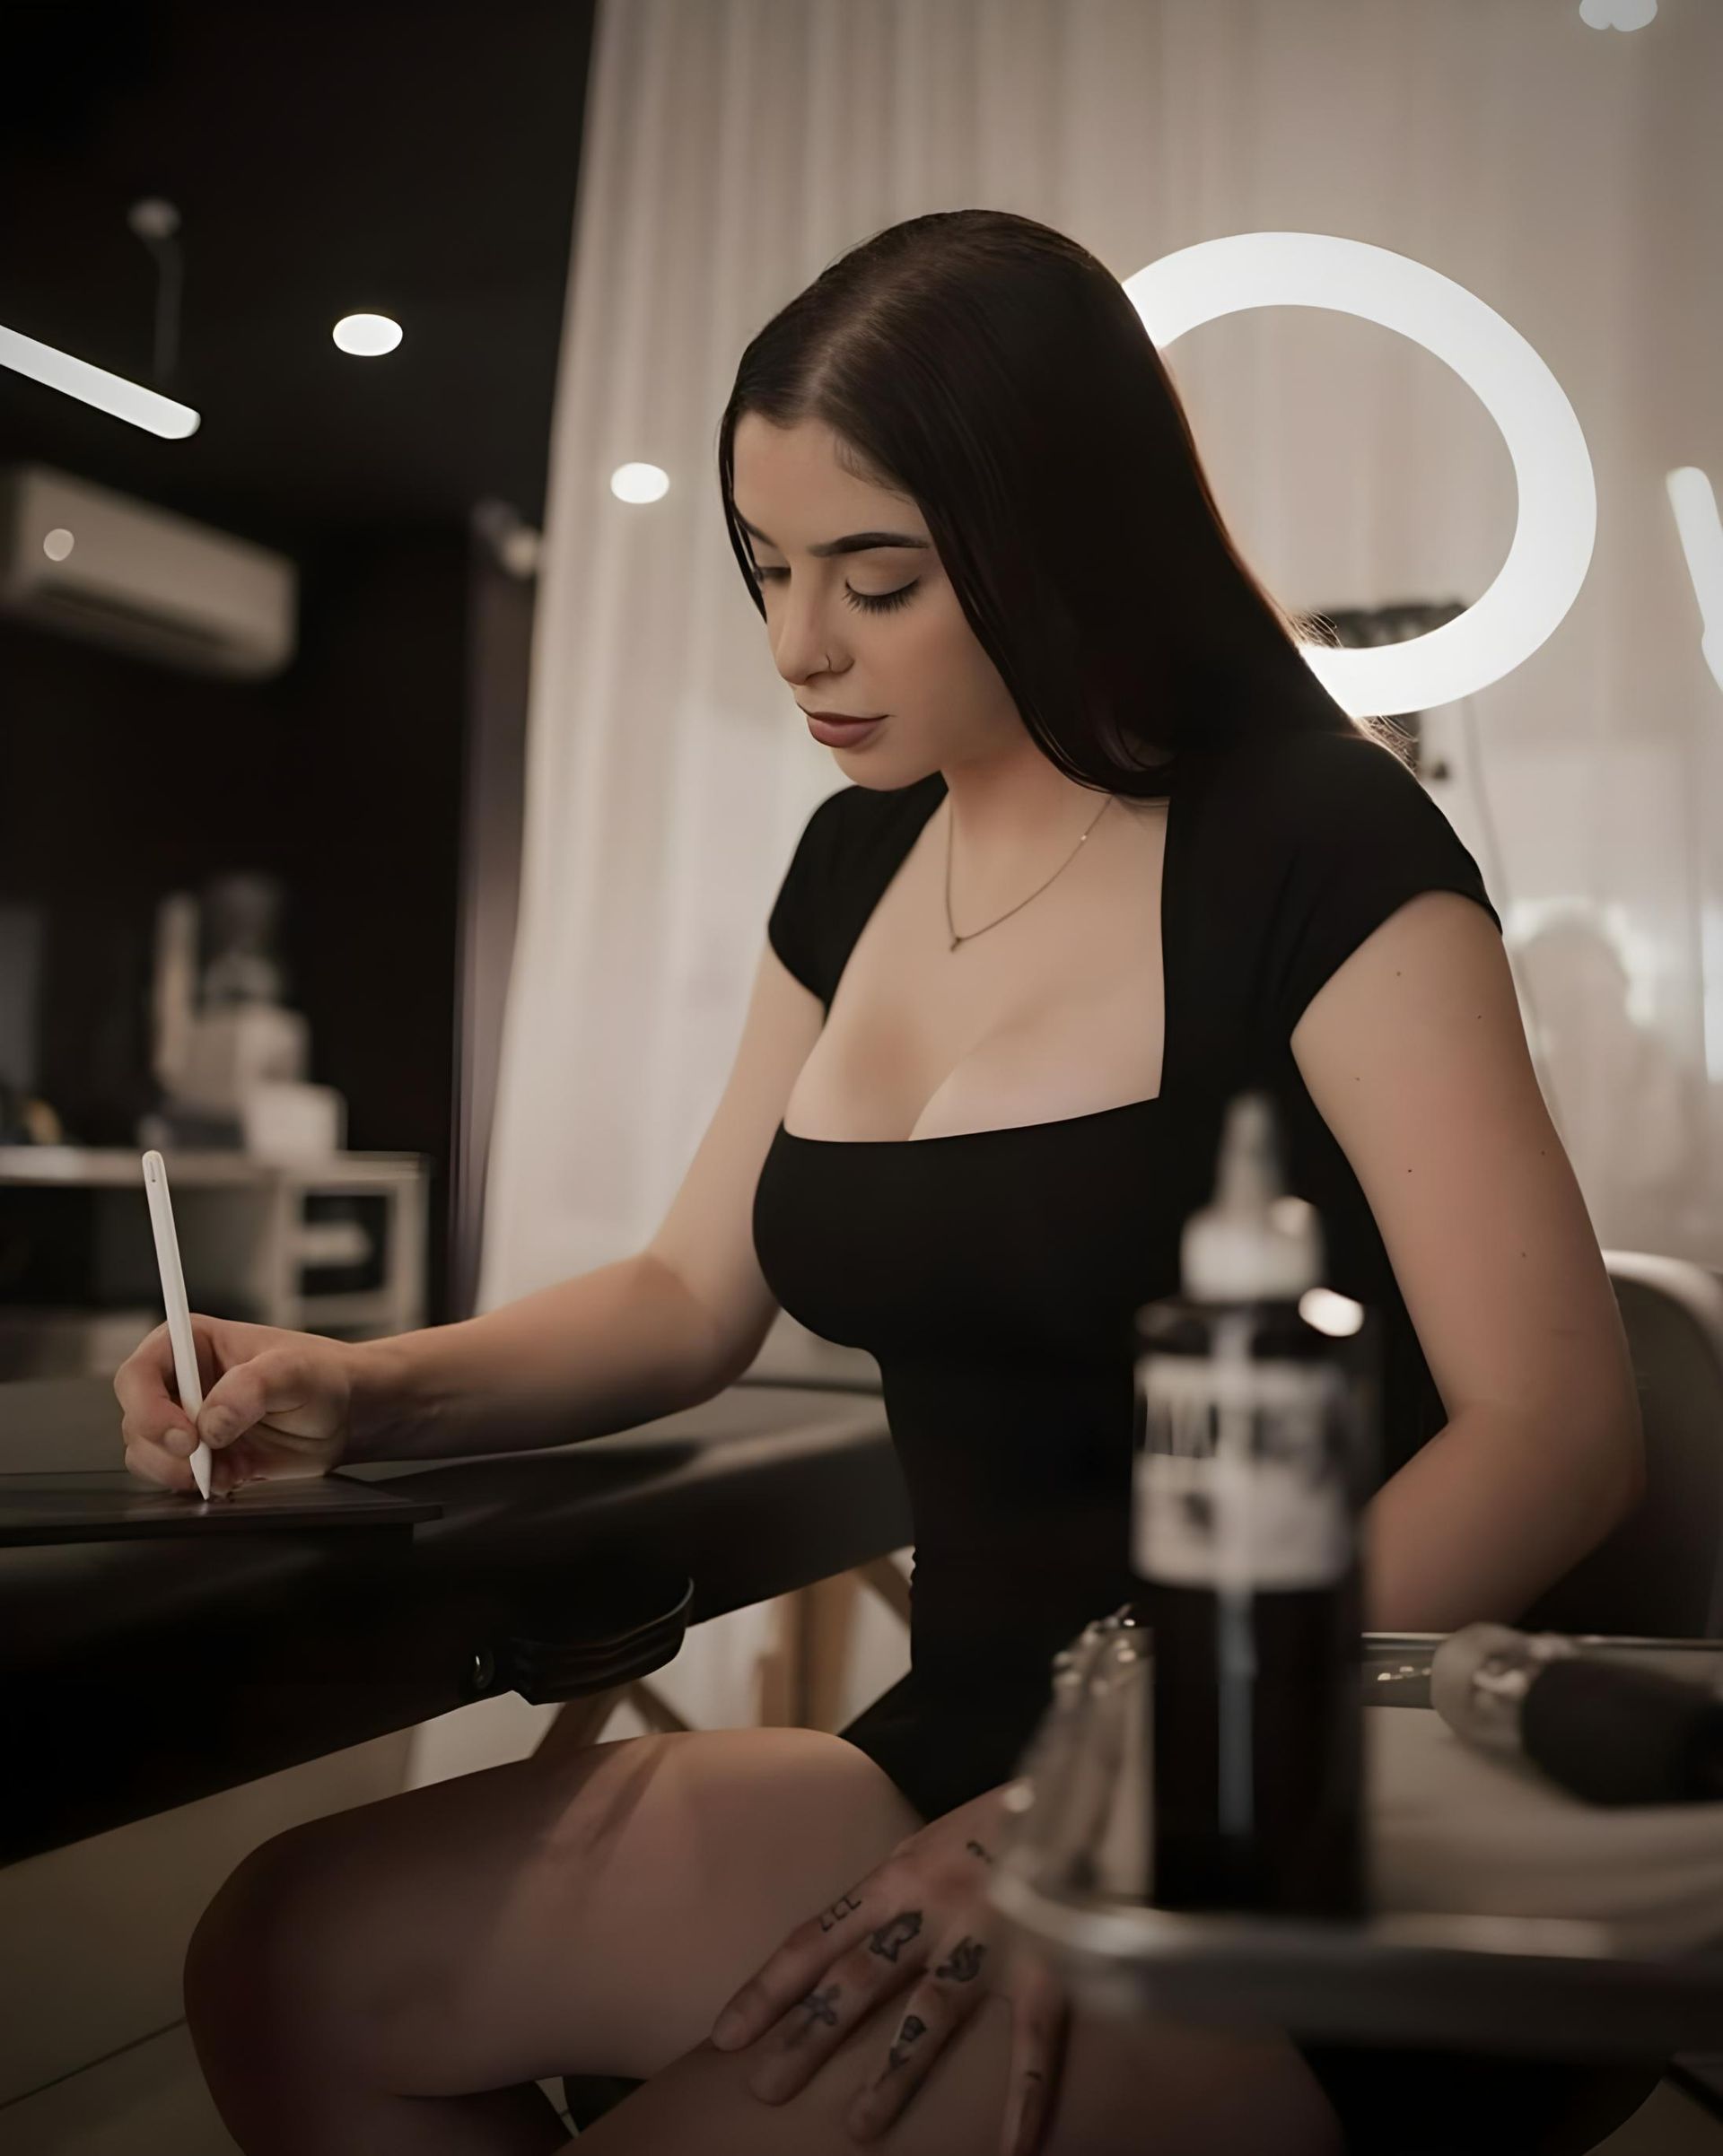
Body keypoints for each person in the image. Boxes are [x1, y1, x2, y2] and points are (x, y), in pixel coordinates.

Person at [116, 209, 1661, 2155]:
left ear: (1056, 538)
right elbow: (691, 1290)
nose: (797, 646)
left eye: (878, 576)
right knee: (285, 1957)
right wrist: (366, 1382)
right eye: (768, 568)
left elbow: (1557, 1431)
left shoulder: (1318, 843)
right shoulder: (853, 867)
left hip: (1305, 1796)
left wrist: (1116, 1779)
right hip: (975, 1736)